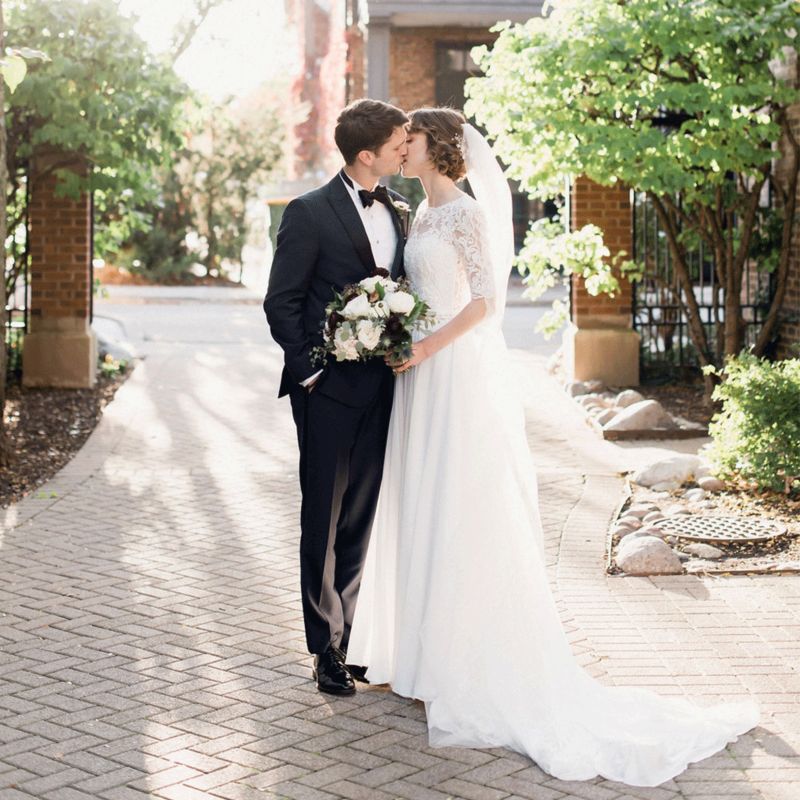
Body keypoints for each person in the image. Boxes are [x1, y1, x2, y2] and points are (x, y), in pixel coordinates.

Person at [347, 107, 759, 786]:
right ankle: (418, 659)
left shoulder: (466, 215)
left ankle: (462, 663)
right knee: (420, 500)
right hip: (419, 375)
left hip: (451, 372)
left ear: (438, 147)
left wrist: (423, 345)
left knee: (459, 507)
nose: (401, 147)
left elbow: (483, 302)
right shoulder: (419, 214)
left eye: (410, 139)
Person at [264, 99, 409, 696]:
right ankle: (321, 649)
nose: (407, 147)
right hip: (327, 392)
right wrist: (311, 374)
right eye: (400, 141)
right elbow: (282, 301)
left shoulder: (400, 209)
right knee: (321, 516)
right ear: (367, 153)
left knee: (360, 517)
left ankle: (347, 640)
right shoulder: (309, 212)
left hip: (385, 388)